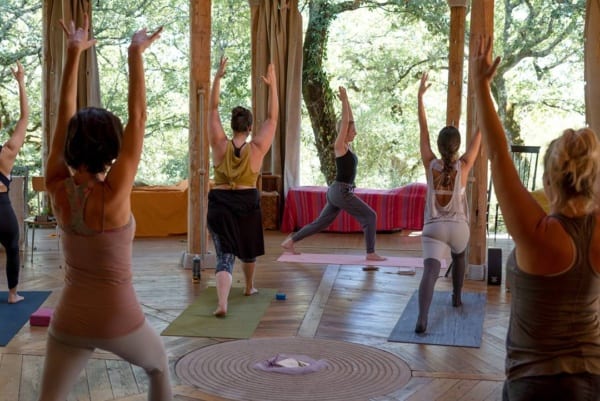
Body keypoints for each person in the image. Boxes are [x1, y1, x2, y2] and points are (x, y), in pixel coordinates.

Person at [38, 16, 171, 400]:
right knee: (159, 366)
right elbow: (139, 118)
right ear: (113, 148)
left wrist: (73, 54)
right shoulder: (114, 194)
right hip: (120, 320)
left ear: (70, 146)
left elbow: (61, 118)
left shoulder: (56, 187)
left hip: (69, 320)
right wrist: (134, 54)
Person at [473, 36, 600, 401]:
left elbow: (498, 155)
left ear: (547, 181)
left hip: (534, 384)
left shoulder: (538, 234)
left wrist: (481, 85)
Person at [207, 56, 278, 317]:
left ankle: (222, 303)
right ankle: (248, 287)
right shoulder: (257, 148)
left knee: (225, 255)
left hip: (220, 203)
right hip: (247, 201)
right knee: (248, 251)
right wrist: (272, 86)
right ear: (249, 128)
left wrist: (217, 79)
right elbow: (272, 118)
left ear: (232, 126)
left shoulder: (219, 145)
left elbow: (212, 110)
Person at [281, 86, 386, 261]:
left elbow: (349, 120)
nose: (355, 132)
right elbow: (345, 123)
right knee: (370, 216)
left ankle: (290, 241)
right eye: (352, 131)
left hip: (337, 191)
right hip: (341, 192)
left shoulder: (347, 146)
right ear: (344, 132)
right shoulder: (340, 146)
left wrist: (347, 100)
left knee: (321, 223)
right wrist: (343, 101)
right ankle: (370, 252)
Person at [414, 72, 481, 333]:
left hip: (433, 228)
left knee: (430, 271)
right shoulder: (464, 165)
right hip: (458, 228)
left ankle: (422, 318)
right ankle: (456, 296)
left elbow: (423, 130)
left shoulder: (430, 163)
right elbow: (480, 132)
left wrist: (420, 98)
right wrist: (484, 94)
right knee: (459, 255)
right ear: (457, 146)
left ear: (440, 145)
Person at [0, 61, 28, 304]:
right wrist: (20, 82)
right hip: (2, 209)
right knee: (12, 247)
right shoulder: (7, 152)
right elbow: (24, 118)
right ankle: (12, 294)